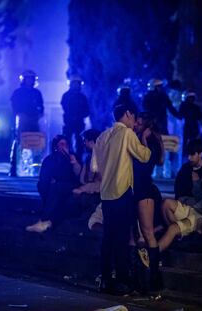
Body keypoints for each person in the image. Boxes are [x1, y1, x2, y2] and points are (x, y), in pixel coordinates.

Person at [91, 104, 151, 295]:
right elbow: (144, 156)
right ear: (127, 114)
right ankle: (123, 281)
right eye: (133, 118)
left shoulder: (102, 137)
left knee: (108, 238)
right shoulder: (127, 134)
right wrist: (145, 140)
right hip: (122, 192)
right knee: (122, 239)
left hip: (106, 193)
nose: (134, 123)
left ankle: (105, 280)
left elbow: (94, 168)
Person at [158, 153, 202, 252]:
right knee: (166, 203)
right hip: (195, 209)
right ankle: (179, 236)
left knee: (172, 229)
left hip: (200, 217)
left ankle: (152, 257)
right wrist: (196, 184)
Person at [132, 112, 164, 291]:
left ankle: (154, 279)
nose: (136, 124)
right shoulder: (137, 139)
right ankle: (137, 278)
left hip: (144, 189)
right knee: (134, 234)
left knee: (147, 232)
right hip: (134, 189)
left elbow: (147, 162)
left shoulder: (151, 142)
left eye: (139, 122)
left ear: (146, 126)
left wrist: (143, 140)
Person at [26, 135, 81, 233]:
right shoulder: (50, 159)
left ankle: (44, 219)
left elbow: (78, 174)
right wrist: (48, 180)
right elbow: (44, 175)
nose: (64, 146)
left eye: (66, 144)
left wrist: (73, 162)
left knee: (57, 188)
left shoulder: (72, 156)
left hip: (70, 184)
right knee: (43, 185)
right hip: (55, 184)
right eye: (61, 144)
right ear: (56, 146)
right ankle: (46, 219)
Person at [9, 70, 44, 176]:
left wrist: (39, 114)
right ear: (24, 80)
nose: (30, 80)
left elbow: (41, 105)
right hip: (22, 118)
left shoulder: (36, 93)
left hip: (34, 119)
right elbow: (14, 105)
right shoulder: (18, 92)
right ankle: (16, 167)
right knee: (20, 141)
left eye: (31, 78)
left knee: (36, 142)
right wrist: (19, 114)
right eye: (28, 78)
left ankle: (35, 167)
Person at [173, 139, 202, 206]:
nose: (189, 158)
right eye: (188, 155)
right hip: (184, 204)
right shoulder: (185, 168)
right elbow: (178, 191)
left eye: (192, 154)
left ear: (200, 154)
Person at [70, 129, 101, 216]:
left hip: (95, 192)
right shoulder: (88, 156)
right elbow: (82, 177)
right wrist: (75, 163)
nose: (83, 143)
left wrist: (82, 189)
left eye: (85, 141)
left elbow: (100, 183)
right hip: (86, 188)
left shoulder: (101, 158)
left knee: (81, 199)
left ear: (91, 142)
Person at [61, 75, 89, 162]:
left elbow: (87, 109)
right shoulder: (66, 95)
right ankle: (66, 158)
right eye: (75, 84)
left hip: (79, 123)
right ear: (71, 84)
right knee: (67, 140)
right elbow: (64, 106)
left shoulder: (82, 97)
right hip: (69, 122)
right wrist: (72, 116)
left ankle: (79, 159)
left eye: (78, 84)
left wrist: (80, 116)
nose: (76, 85)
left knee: (80, 142)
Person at [179, 91, 202, 155]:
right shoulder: (196, 107)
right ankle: (191, 153)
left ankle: (187, 153)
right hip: (193, 126)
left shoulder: (184, 106)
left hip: (188, 126)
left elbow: (180, 115)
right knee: (191, 140)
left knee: (187, 140)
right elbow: (200, 116)